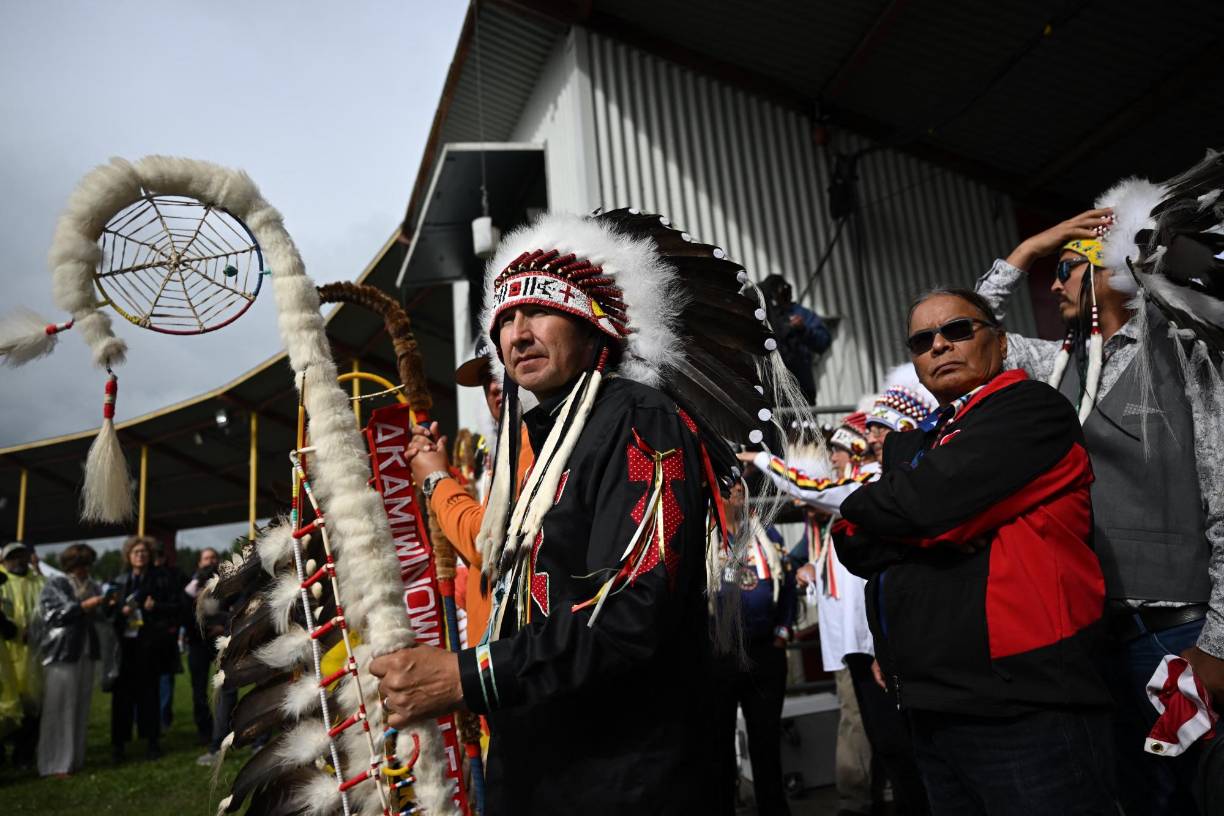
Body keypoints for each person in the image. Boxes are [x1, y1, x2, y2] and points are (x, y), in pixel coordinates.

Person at [372, 209, 810, 814]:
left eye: (539, 312)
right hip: (550, 761)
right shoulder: (545, 440)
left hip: (625, 775)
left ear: (594, 326)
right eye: (505, 319)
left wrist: (468, 677)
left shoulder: (639, 420)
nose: (517, 334)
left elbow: (631, 614)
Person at [978, 181, 1224, 814]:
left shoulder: (1185, 353)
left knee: (1202, 788)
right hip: (1093, 628)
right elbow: (970, 336)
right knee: (1133, 792)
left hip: (1180, 627)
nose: (1053, 285)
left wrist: (1217, 644)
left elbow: (1223, 498)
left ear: (1109, 271)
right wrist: (1030, 249)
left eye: (1066, 270)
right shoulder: (1056, 361)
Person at [834, 288, 1115, 814]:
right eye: (922, 340)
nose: (939, 345)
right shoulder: (928, 441)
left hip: (1026, 711)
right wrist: (911, 517)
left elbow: (924, 506)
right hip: (933, 709)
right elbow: (853, 538)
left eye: (958, 330)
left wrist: (910, 517)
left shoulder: (1032, 410)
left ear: (1001, 343)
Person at [747, 390, 934, 816]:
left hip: (877, 636)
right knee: (885, 736)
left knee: (897, 738)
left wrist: (760, 460)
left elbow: (819, 489)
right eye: (869, 430)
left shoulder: (872, 482)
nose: (872, 436)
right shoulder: (869, 482)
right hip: (857, 635)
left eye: (880, 429)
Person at [409, 339, 533, 646]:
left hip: (518, 666)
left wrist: (436, 481)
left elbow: (490, 546)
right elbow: (487, 567)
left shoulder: (539, 441)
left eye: (499, 368)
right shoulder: (511, 447)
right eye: (484, 378)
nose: (493, 386)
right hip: (494, 662)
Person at [714, 482, 796, 816]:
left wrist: (782, 632)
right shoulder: (706, 537)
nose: (736, 492)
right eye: (727, 487)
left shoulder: (767, 535)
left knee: (766, 742)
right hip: (720, 655)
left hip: (765, 651)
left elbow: (787, 583)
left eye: (739, 486)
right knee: (717, 742)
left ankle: (774, 809)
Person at [108, 535, 180, 762]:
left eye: (144, 552)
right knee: (122, 698)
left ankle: (152, 742)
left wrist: (155, 606)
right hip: (124, 648)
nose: (140, 555)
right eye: (136, 552)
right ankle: (119, 745)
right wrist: (121, 612)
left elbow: (178, 607)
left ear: (149, 556)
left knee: (149, 696)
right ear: (128, 556)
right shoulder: (119, 581)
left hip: (150, 647)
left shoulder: (161, 579)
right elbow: (107, 613)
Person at [37, 543, 106, 778]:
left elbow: (100, 616)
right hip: (62, 653)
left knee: (80, 707)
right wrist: (86, 605)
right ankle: (55, 764)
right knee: (59, 708)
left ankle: (75, 759)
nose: (84, 569)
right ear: (70, 566)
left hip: (86, 651)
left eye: (87, 565)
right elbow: (54, 614)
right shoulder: (56, 583)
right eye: (80, 566)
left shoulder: (93, 584)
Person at [0, 541, 45, 771]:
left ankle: (23, 756)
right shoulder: (1, 582)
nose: (17, 561)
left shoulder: (40, 582)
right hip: (4, 656)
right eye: (12, 557)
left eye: (21, 555)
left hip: (33, 657)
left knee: (32, 709)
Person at [759, 273, 832, 403]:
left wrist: (802, 330)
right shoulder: (761, 318)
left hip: (801, 389)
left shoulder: (798, 313)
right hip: (771, 392)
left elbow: (823, 340)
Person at [184, 547, 221, 745]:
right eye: (206, 558)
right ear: (199, 562)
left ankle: (223, 726)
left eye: (213, 557)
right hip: (197, 644)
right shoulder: (191, 585)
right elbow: (184, 610)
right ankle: (204, 730)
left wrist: (221, 626)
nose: (210, 561)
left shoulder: (225, 582)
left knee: (225, 686)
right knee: (199, 690)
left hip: (218, 640)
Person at [150, 539, 185, 730]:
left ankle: (163, 718)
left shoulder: (174, 575)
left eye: (159, 555)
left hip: (166, 633)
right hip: (146, 635)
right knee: (148, 680)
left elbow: (179, 604)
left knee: (165, 679)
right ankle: (150, 719)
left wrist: (158, 607)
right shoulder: (144, 576)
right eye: (154, 555)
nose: (157, 559)